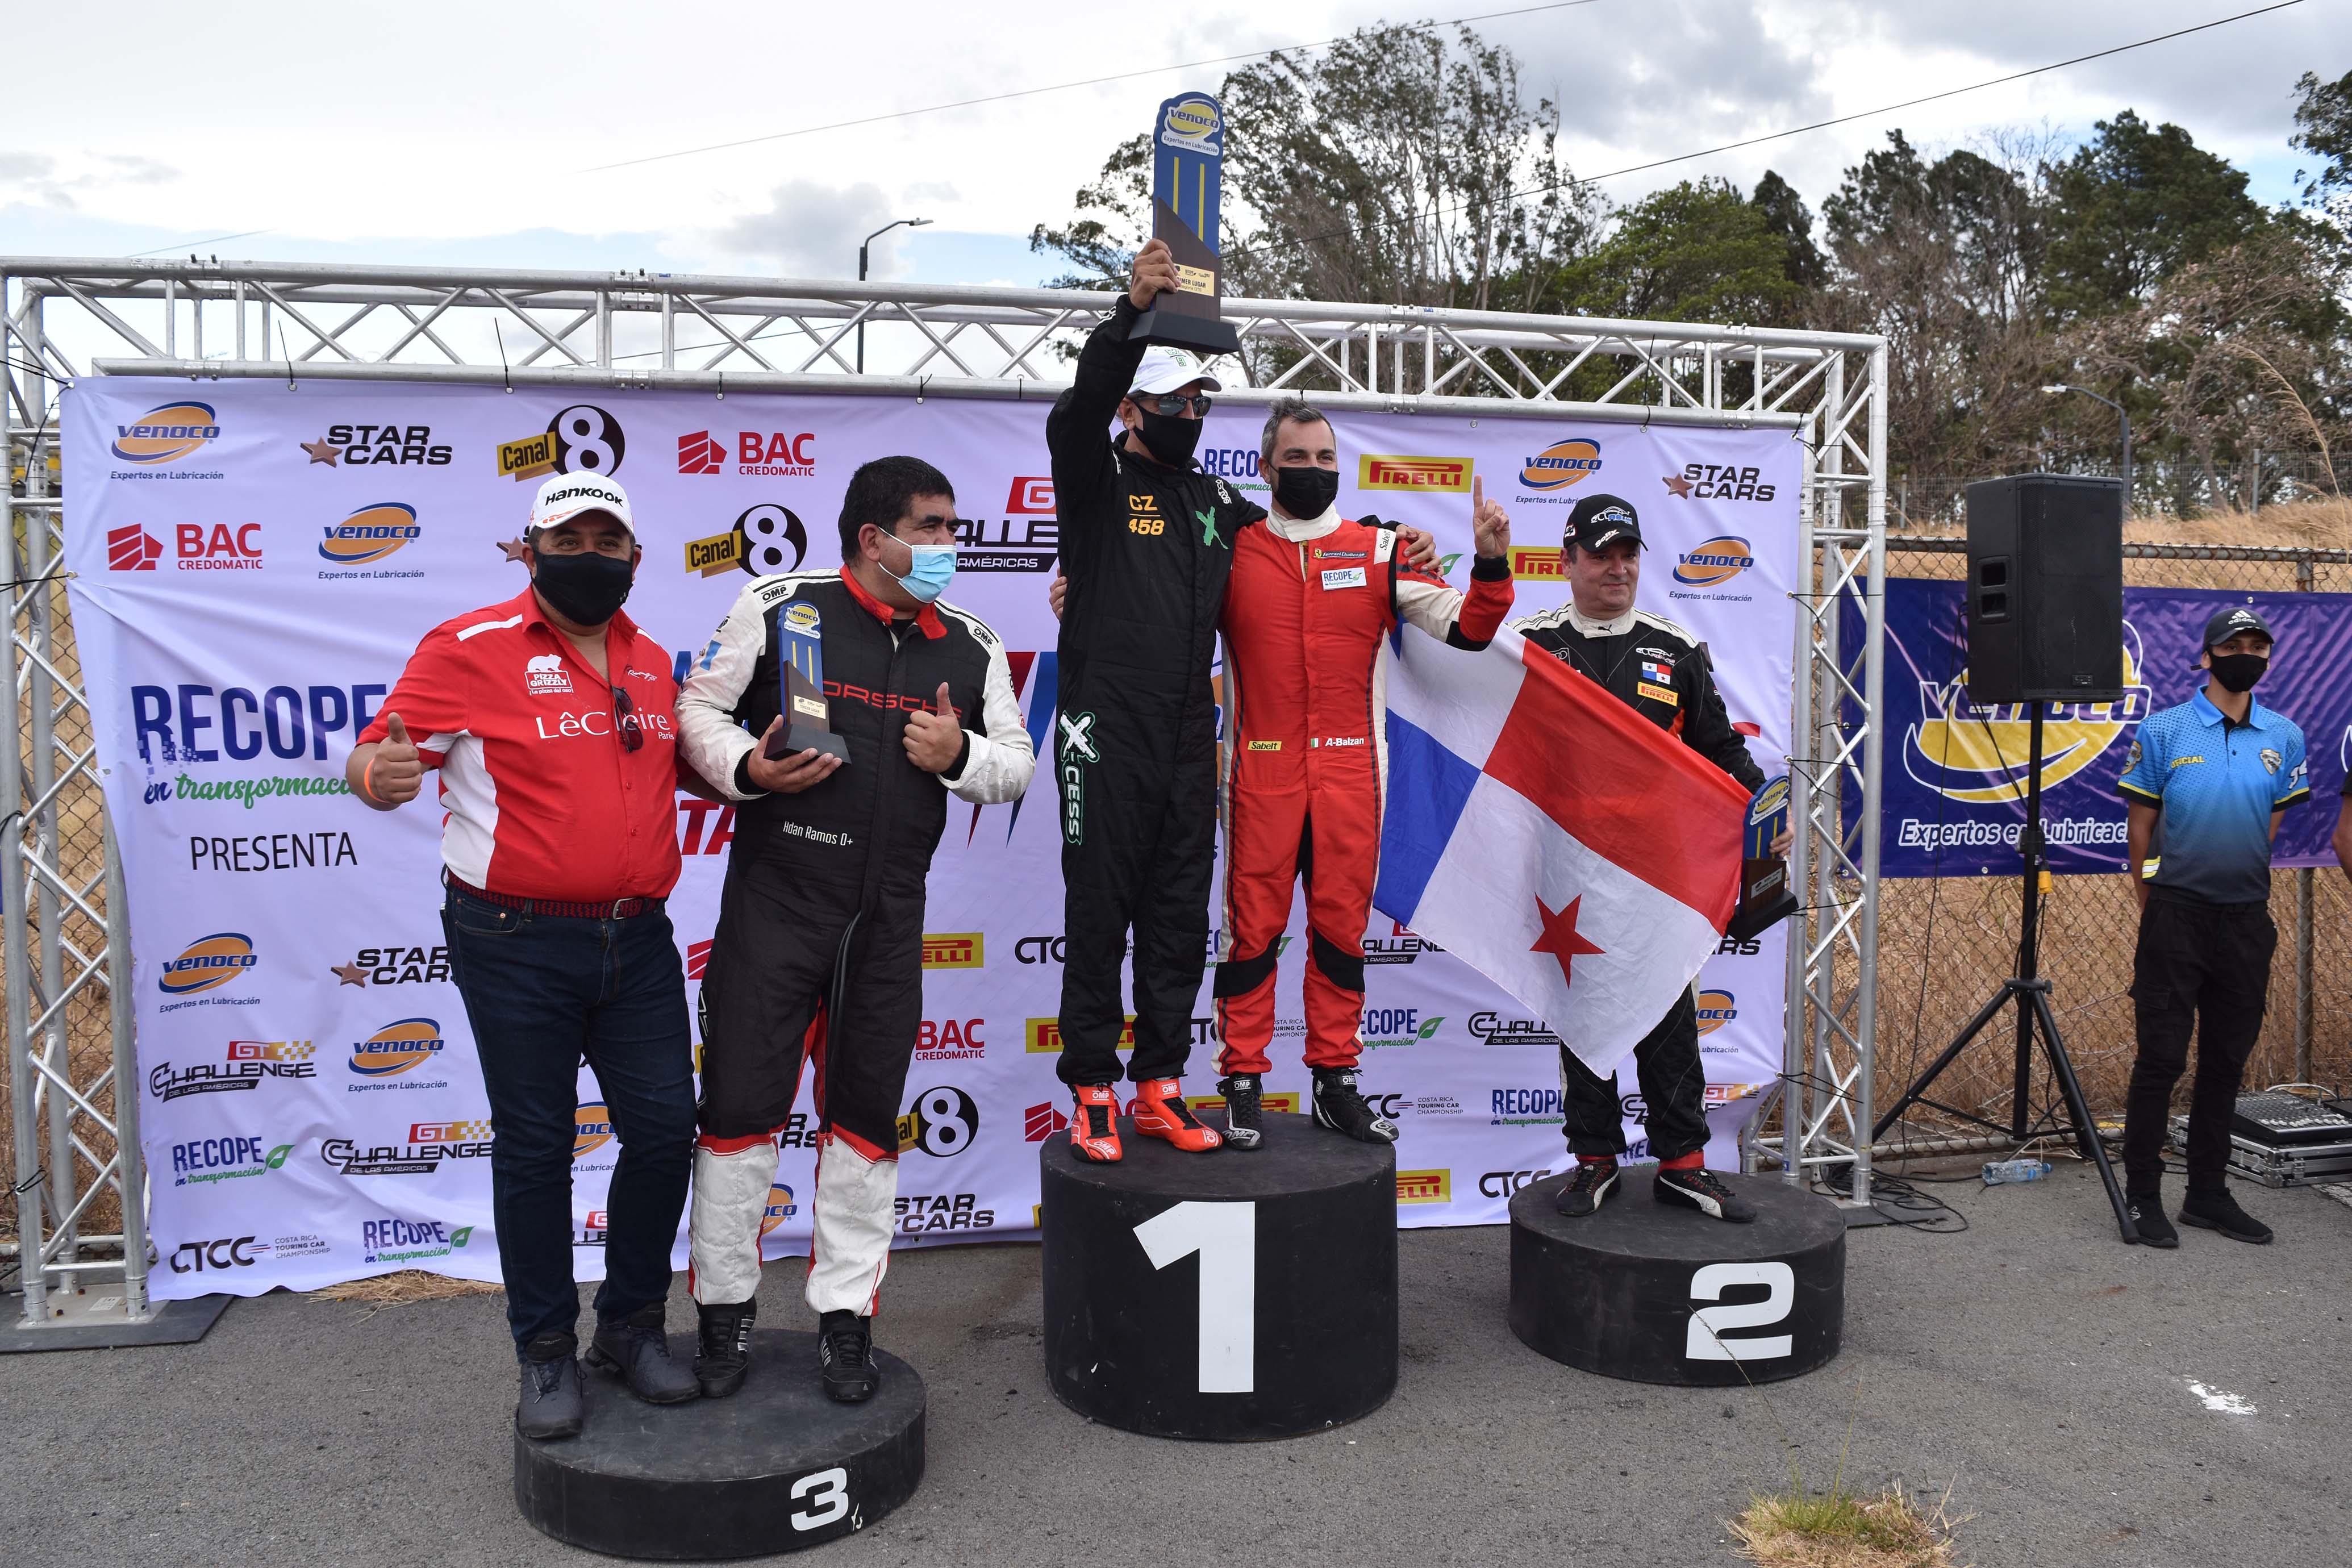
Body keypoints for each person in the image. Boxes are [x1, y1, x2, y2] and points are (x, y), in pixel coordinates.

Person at [345, 471, 699, 1441]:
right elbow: (378, 756)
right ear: (530, 547)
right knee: (538, 1148)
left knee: (668, 1132)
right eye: (569, 539)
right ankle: (544, 1353)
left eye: (607, 541)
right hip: (513, 940)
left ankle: (628, 1328)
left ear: (636, 556)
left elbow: (691, 769)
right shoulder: (467, 647)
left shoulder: (656, 660)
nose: (589, 557)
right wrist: (379, 774)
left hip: (638, 935)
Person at [676, 456, 1035, 1400]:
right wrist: (747, 771)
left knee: (867, 1126)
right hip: (777, 902)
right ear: (873, 538)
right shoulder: (781, 603)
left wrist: (961, 755)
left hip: (888, 916)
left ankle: (846, 1321)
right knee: (740, 1117)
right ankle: (723, 1317)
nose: (949, 547)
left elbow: (1018, 765)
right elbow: (695, 713)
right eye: (933, 527)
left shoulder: (972, 642)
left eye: (954, 528)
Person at [1211, 397, 1515, 1149]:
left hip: (1353, 778)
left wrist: (1492, 559)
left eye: (1323, 459)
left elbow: (1471, 629)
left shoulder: (1379, 551)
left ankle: (1335, 1082)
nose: (1312, 471)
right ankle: (1242, 1079)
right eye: (1296, 459)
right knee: (1253, 935)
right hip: (1259, 775)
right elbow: (1151, 617)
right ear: (1263, 467)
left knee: (1342, 935)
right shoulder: (1231, 549)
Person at [1041, 236, 1270, 1164]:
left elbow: (1303, 548)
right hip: (1103, 735)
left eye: (1200, 399)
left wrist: (1386, 548)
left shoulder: (1221, 501)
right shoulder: (1096, 480)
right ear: (1134, 406)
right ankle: (1092, 1085)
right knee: (1100, 913)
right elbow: (1077, 413)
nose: (1189, 412)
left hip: (1188, 741)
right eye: (1172, 399)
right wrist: (1131, 318)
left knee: (1180, 916)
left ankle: (1160, 1087)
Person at [1514, 493, 1783, 1224]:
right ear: (1567, 561)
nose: (1617, 567)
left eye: (1628, 553)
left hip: (1655, 876)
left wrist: (1766, 817)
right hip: (1565, 873)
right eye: (1601, 554)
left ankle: (1684, 1166)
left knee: (1668, 1020)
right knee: (1584, 1019)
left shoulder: (1675, 647)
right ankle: (1593, 1161)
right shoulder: (1529, 644)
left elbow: (1722, 752)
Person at [2115, 605, 2309, 1248]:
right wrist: (2156, 902)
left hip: (2246, 923)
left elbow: (2269, 831)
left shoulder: (2285, 734)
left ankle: (2207, 1195)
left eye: (2258, 645)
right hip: (2176, 916)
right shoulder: (2166, 729)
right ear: (2206, 656)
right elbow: (2139, 829)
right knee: (2161, 1062)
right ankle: (2142, 1197)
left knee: (2226, 1063)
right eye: (2234, 645)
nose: (2246, 654)